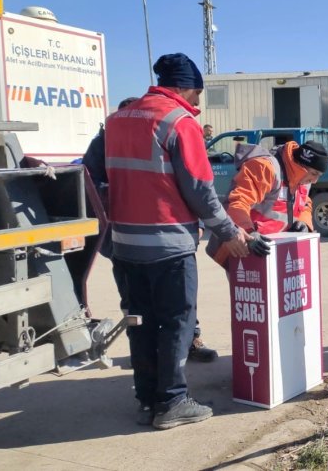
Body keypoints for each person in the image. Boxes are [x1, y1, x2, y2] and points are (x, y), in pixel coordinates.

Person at [105, 53, 251, 429]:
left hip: (124, 245)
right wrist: (229, 233)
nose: (197, 106)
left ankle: (147, 399)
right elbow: (201, 192)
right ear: (186, 87)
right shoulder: (177, 122)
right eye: (197, 96)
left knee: (140, 323)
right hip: (167, 245)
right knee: (176, 324)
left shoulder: (116, 120)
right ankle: (171, 403)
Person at [82, 97, 221, 363]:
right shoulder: (104, 142)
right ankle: (148, 358)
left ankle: (188, 343)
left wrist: (200, 225)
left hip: (165, 239)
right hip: (123, 239)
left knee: (180, 302)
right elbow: (90, 187)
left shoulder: (161, 135)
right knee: (137, 304)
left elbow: (189, 186)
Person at [208, 140, 328, 264]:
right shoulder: (265, 168)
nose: (315, 181)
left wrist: (304, 222)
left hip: (272, 250)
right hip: (245, 248)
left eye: (319, 175)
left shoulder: (303, 179)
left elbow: (304, 203)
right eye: (314, 174)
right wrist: (249, 232)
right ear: (301, 166)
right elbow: (238, 202)